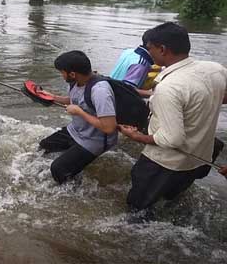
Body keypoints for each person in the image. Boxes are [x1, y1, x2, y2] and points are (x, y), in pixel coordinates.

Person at [118, 22, 227, 212]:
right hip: (199, 159)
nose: (148, 52)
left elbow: (173, 139)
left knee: (137, 211)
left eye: (150, 48)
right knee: (169, 201)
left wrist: (136, 137)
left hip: (163, 163)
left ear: (162, 49)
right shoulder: (215, 69)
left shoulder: (169, 88)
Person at [37, 51, 118, 184]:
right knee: (44, 146)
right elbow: (74, 99)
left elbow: (109, 127)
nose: (61, 75)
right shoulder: (77, 82)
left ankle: (73, 190)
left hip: (95, 140)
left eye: (62, 72)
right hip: (76, 130)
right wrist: (51, 97)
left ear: (72, 74)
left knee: (58, 169)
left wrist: (80, 112)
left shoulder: (100, 91)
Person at [109, 32, 158, 97]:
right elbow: (128, 90)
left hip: (109, 88)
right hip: (118, 98)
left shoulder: (128, 51)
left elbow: (130, 68)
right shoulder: (141, 64)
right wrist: (156, 95)